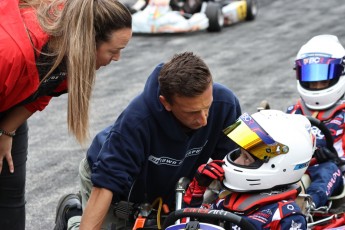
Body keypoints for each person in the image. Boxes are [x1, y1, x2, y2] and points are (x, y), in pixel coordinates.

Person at [53, 51, 242, 230]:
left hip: (169, 186)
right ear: (165, 103)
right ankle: (74, 214)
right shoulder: (137, 121)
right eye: (192, 112)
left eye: (207, 107)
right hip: (114, 187)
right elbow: (106, 185)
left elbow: (235, 165)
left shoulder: (225, 103)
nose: (204, 120)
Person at [0, 0, 132, 229]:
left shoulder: (70, 53)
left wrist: (6, 131)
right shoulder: (11, 53)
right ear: (88, 42)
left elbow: (41, 92)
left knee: (9, 191)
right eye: (114, 51)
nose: (117, 59)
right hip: (6, 70)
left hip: (9, 106)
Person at [181, 110, 315, 229]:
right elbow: (190, 224)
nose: (237, 161)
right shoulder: (226, 199)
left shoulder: (285, 216)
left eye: (246, 157)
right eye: (240, 153)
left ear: (279, 166)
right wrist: (198, 189)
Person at [286, 34, 345, 209]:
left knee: (328, 169)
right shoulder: (293, 111)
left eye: (322, 80)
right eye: (311, 81)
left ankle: (307, 206)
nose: (316, 86)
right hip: (292, 167)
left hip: (333, 171)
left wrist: (337, 161)